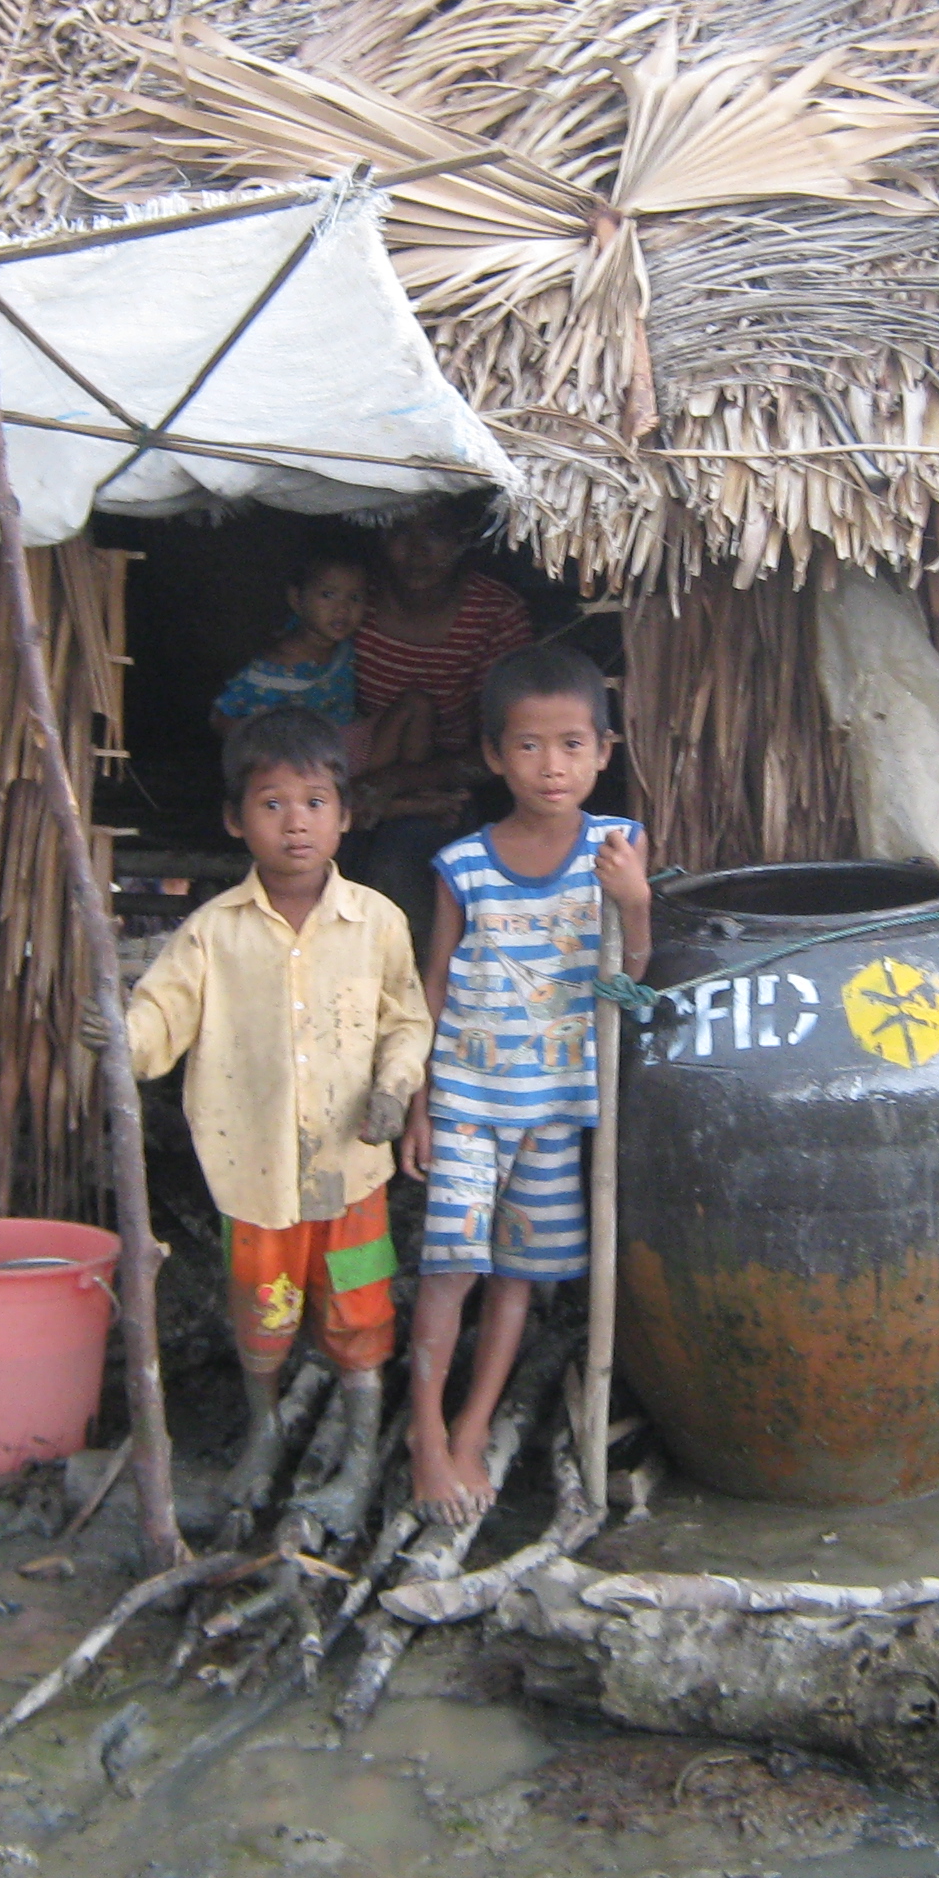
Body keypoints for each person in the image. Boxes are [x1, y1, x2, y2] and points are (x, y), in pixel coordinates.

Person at [110, 707, 431, 1535]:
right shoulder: (212, 934)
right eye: (273, 804)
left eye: (316, 802)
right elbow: (160, 1020)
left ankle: (359, 1455)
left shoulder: (378, 923)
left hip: (352, 1168)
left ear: (346, 816)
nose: (296, 823)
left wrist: (394, 1091)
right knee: (262, 1310)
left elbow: (408, 1021)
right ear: (234, 819)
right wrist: (116, 1039)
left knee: (361, 1314)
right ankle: (265, 1429)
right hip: (253, 1172)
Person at [400, 643, 650, 1525]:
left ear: (604, 752)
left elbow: (631, 981)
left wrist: (636, 903)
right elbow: (433, 985)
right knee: (451, 1270)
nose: (554, 766)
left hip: (556, 1108)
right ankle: (424, 1437)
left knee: (515, 1276)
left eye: (574, 745)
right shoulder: (462, 863)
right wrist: (421, 1102)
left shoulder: (619, 851)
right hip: (469, 1098)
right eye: (532, 747)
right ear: (495, 755)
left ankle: (471, 1433)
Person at [348, 506, 536, 923]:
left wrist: (395, 781)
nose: (416, 550)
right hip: (348, 777)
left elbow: (506, 747)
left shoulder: (495, 614)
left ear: (465, 539)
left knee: (398, 870)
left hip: (440, 788)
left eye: (435, 531)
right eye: (399, 529)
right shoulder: (353, 598)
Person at [209, 541, 432, 783]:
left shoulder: (341, 643)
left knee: (416, 704)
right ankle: (392, 803)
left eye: (355, 597)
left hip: (354, 741)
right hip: (316, 765)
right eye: (328, 595)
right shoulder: (272, 671)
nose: (342, 609)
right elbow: (221, 718)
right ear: (296, 600)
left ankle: (411, 786)